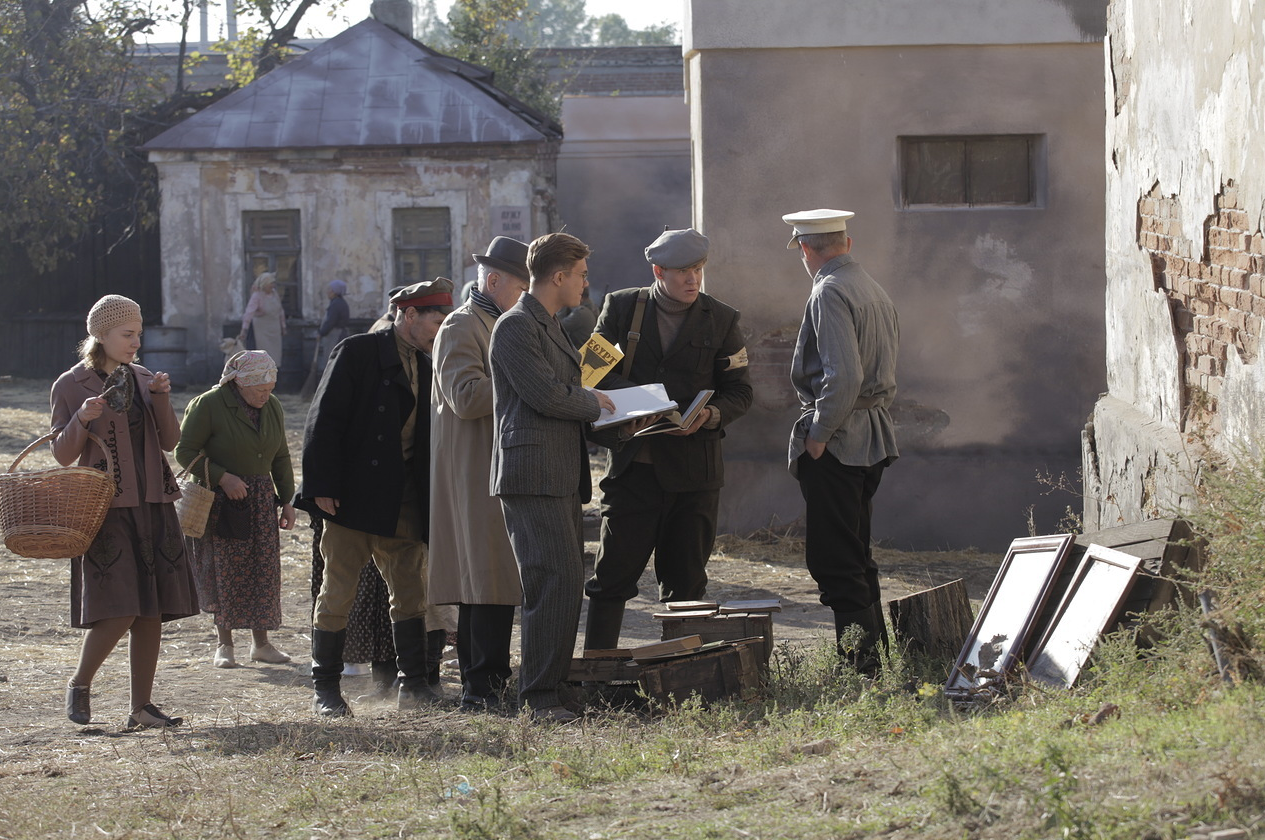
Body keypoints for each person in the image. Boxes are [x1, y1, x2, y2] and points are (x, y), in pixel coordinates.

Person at [583, 228, 753, 650]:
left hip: (694, 476)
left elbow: (740, 392)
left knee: (687, 588)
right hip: (634, 470)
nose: (692, 279)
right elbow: (588, 372)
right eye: (681, 272)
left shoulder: (723, 319)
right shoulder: (622, 308)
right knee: (611, 581)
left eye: (697, 269)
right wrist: (639, 402)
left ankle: (683, 677)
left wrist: (712, 415)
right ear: (658, 271)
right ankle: (597, 670)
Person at [294, 277, 453, 716]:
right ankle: (325, 689)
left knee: (410, 592)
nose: (441, 328)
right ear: (409, 315)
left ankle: (413, 686)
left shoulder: (425, 365)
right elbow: (322, 420)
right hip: (351, 498)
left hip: (404, 498)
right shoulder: (358, 351)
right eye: (436, 321)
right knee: (338, 591)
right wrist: (322, 486)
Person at [50, 295, 199, 729]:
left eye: (139, 333)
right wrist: (81, 417)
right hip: (104, 508)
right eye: (127, 334)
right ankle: (80, 683)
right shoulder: (71, 384)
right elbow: (62, 454)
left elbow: (171, 441)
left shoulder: (144, 377)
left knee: (150, 608)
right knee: (120, 606)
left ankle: (142, 708)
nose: (136, 342)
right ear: (101, 334)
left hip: (153, 503)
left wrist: (162, 397)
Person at [489, 232, 616, 723]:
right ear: (558, 276)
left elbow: (568, 386)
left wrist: (609, 408)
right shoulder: (515, 326)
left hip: (557, 470)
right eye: (581, 275)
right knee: (549, 582)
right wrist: (596, 403)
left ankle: (555, 688)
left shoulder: (551, 325)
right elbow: (547, 394)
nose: (586, 284)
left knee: (564, 582)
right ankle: (539, 698)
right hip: (532, 474)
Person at [782, 208, 899, 674]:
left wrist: (818, 434)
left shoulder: (829, 291)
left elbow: (843, 375)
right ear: (846, 244)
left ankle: (860, 669)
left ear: (806, 250)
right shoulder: (871, 286)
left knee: (835, 559)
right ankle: (876, 659)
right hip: (870, 434)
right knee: (856, 551)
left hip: (841, 437)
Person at [429, 236, 530, 711]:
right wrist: (524, 378)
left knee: (493, 580)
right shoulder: (461, 325)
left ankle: (488, 683)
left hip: (499, 463)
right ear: (493, 281)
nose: (526, 296)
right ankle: (481, 687)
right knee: (483, 578)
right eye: (520, 286)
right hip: (474, 470)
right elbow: (465, 397)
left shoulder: (504, 321)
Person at [175, 350, 297, 669]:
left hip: (259, 499)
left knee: (263, 571)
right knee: (223, 570)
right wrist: (223, 477)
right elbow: (184, 451)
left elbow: (281, 456)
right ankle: (224, 644)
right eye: (260, 389)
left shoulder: (272, 407)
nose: (265, 395)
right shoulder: (210, 404)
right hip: (220, 502)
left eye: (270, 388)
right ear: (240, 383)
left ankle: (262, 644)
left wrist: (287, 500)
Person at [239, 272, 286, 371]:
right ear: (264, 284)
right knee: (263, 355)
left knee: (275, 356)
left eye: (273, 283)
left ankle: (274, 377)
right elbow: (249, 312)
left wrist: (283, 326)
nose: (272, 286)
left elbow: (280, 311)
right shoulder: (257, 296)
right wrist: (244, 329)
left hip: (275, 330)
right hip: (262, 331)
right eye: (270, 283)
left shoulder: (275, 294)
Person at [316, 279, 351, 375]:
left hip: (335, 336)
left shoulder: (336, 304)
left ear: (335, 292)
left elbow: (330, 322)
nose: (328, 292)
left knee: (332, 361)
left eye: (330, 290)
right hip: (339, 334)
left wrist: (321, 333)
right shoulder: (340, 303)